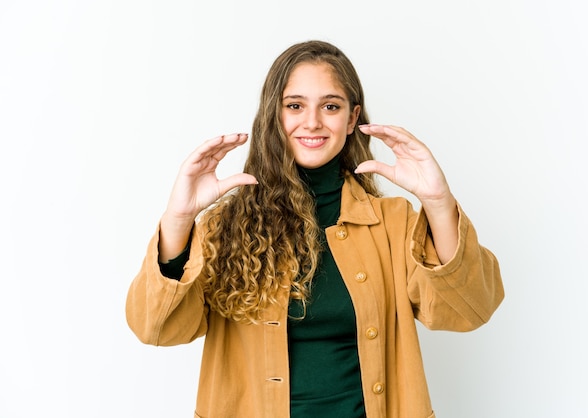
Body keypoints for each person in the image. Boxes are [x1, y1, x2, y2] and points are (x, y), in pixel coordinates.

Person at [126, 40, 504, 418]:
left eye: (330, 106)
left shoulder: (393, 221)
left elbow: (468, 312)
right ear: (274, 115)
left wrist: (438, 203)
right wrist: (178, 220)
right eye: (295, 106)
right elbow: (156, 329)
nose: (312, 122)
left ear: (352, 118)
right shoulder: (222, 228)